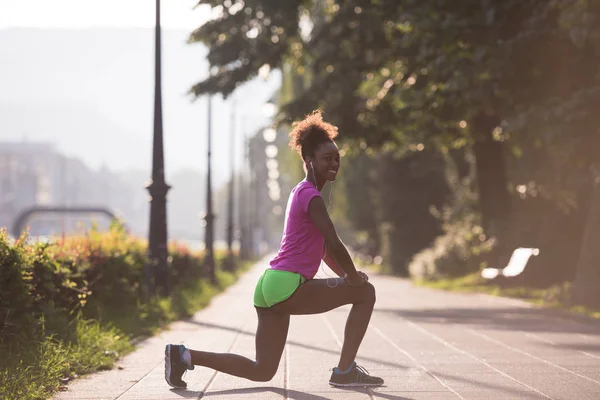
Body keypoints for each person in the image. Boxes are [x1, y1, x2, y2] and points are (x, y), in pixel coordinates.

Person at [164, 110, 384, 389]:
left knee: (262, 371)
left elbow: (326, 251)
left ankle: (182, 356)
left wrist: (348, 275)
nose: (334, 163)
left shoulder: (299, 192)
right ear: (309, 161)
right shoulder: (311, 196)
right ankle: (344, 372)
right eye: (327, 158)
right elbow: (333, 241)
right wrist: (353, 280)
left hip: (269, 286)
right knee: (366, 293)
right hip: (287, 285)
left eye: (337, 158)